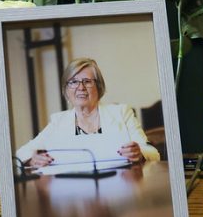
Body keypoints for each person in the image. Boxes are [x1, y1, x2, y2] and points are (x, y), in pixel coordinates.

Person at [16, 58, 160, 168]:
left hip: (119, 187)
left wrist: (139, 153)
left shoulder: (122, 113)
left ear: (99, 86)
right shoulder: (58, 121)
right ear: (66, 89)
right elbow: (21, 152)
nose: (80, 87)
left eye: (87, 81)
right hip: (73, 193)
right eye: (73, 82)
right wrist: (33, 158)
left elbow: (153, 152)